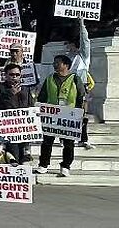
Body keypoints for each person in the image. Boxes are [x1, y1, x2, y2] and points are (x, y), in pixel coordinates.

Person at [35, 54, 86, 177]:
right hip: (51, 116)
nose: (54, 65)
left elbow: (82, 98)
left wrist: (82, 115)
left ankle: (66, 165)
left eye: (57, 63)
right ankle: (43, 164)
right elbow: (42, 97)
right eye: (54, 62)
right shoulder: (49, 78)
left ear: (66, 65)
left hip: (69, 116)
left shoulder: (75, 79)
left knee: (68, 143)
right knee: (47, 141)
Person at [0, 62, 32, 164]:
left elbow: (30, 106)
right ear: (5, 75)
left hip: (23, 129)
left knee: (24, 157)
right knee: (13, 156)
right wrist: (11, 95)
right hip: (8, 130)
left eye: (17, 75)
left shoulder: (26, 89)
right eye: (12, 75)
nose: (14, 77)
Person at [65, 17, 95, 150]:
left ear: (74, 45)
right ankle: (65, 137)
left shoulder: (83, 57)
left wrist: (82, 24)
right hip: (66, 89)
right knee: (67, 114)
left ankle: (83, 139)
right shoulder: (65, 60)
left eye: (68, 44)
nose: (66, 47)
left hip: (81, 88)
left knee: (82, 114)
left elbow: (85, 41)